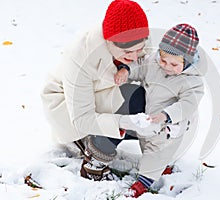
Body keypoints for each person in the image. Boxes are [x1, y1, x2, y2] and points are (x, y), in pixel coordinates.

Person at [41, 0, 159, 182]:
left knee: (154, 102)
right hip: (68, 105)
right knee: (134, 99)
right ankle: (94, 161)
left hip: (106, 92)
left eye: (140, 49)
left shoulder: (139, 38)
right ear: (108, 41)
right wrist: (125, 120)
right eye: (128, 51)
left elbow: (148, 67)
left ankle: (153, 157)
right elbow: (82, 118)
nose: (135, 56)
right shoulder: (81, 54)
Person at [115, 23, 205, 197]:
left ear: (187, 62)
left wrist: (167, 115)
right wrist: (126, 70)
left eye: (174, 64)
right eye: (163, 60)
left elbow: (188, 104)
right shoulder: (153, 63)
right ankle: (163, 166)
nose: (167, 66)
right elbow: (139, 67)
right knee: (146, 144)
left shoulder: (192, 81)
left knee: (155, 152)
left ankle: (143, 183)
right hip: (149, 119)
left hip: (168, 127)